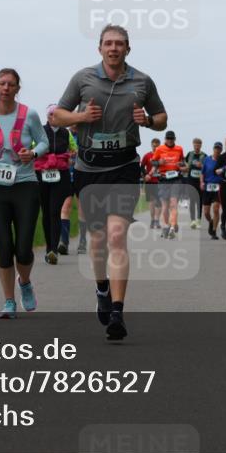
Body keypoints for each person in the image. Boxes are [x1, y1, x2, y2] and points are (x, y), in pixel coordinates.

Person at [53, 25, 167, 340]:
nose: (113, 48)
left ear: (128, 49)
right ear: (99, 48)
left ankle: (117, 310)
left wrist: (149, 120)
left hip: (125, 166)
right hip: (89, 168)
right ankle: (102, 288)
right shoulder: (82, 79)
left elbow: (162, 118)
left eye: (119, 44)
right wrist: (79, 118)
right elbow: (57, 115)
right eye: (108, 43)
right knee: (98, 239)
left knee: (117, 235)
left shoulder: (142, 81)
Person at [0, 69, 48, 318]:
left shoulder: (30, 115)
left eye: (11, 84)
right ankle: (8, 302)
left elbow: (44, 142)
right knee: (5, 246)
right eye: (2, 83)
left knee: (23, 248)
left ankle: (24, 282)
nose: (6, 88)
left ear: (17, 88)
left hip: (25, 185)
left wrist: (34, 154)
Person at [35, 104, 74, 265]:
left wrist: (71, 154)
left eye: (57, 114)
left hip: (60, 175)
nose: (54, 117)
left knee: (54, 211)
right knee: (46, 212)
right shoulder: (40, 131)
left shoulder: (66, 133)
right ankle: (48, 248)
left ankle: (53, 250)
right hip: (42, 174)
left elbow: (74, 148)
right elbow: (32, 147)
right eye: (51, 114)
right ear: (47, 116)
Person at [152, 131, 186, 239]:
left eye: (172, 139)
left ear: (174, 139)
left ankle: (172, 228)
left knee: (173, 204)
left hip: (176, 179)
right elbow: (153, 162)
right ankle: (166, 226)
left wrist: (181, 164)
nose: (170, 141)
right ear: (165, 139)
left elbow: (183, 161)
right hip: (163, 179)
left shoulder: (179, 149)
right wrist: (159, 163)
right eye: (168, 139)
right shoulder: (159, 149)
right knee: (165, 206)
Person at [57, 124, 84, 257]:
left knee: (82, 209)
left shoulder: (85, 134)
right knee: (65, 208)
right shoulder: (63, 134)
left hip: (82, 174)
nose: (74, 123)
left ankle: (82, 242)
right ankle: (64, 242)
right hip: (66, 174)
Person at [201, 141, 224, 239]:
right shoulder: (207, 160)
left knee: (215, 209)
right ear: (213, 149)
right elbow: (202, 173)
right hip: (207, 187)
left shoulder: (223, 160)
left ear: (221, 150)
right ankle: (211, 222)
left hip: (218, 187)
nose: (217, 150)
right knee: (206, 212)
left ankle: (214, 232)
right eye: (216, 148)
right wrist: (201, 182)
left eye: (219, 149)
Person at [184, 138, 206, 229]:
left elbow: (207, 168)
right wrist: (185, 167)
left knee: (199, 201)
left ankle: (198, 220)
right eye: (195, 144)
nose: (197, 146)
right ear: (193, 145)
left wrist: (202, 166)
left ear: (201, 145)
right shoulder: (190, 154)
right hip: (191, 180)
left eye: (198, 144)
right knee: (192, 200)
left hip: (200, 180)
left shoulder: (204, 155)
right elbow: (185, 163)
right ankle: (192, 220)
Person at [141, 138, 162, 228]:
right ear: (151, 145)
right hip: (150, 182)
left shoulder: (162, 156)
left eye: (157, 146)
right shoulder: (147, 156)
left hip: (160, 181)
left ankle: (157, 220)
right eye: (154, 146)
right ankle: (152, 220)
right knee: (151, 202)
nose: (155, 147)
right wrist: (145, 175)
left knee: (159, 202)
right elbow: (141, 167)